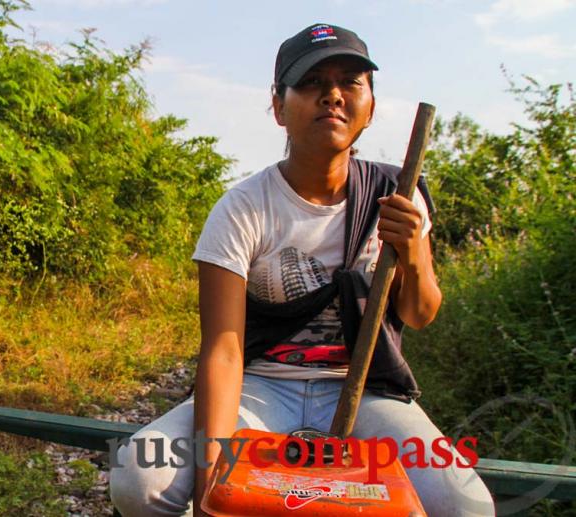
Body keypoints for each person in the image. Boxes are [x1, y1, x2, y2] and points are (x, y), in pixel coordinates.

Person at [109, 23, 496, 517]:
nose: (332, 95)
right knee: (138, 478)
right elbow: (224, 351)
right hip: (261, 388)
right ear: (279, 107)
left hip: (365, 391)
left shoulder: (400, 192)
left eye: (350, 82)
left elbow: (419, 314)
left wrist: (413, 248)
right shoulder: (243, 208)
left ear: (371, 106)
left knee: (467, 506)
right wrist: (211, 484)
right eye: (311, 83)